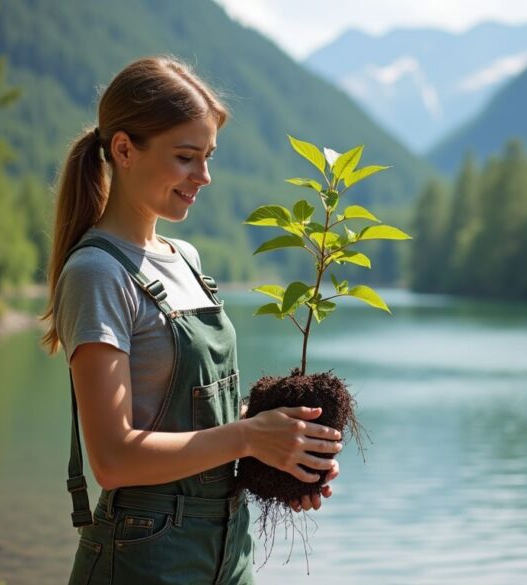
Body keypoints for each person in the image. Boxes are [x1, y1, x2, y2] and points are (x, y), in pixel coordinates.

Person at [40, 55, 343, 585]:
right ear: (124, 150)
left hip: (229, 545)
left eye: (207, 157)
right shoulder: (97, 273)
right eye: (185, 157)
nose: (203, 177)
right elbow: (112, 458)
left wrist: (284, 446)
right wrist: (249, 437)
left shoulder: (186, 259)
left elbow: (198, 419)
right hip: (144, 554)